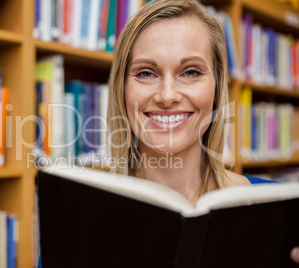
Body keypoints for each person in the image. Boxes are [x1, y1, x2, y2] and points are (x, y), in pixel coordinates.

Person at [106, 0, 299, 263]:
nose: (167, 96)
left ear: (217, 89)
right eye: (146, 73)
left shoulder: (282, 213)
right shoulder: (77, 212)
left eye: (191, 72)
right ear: (121, 89)